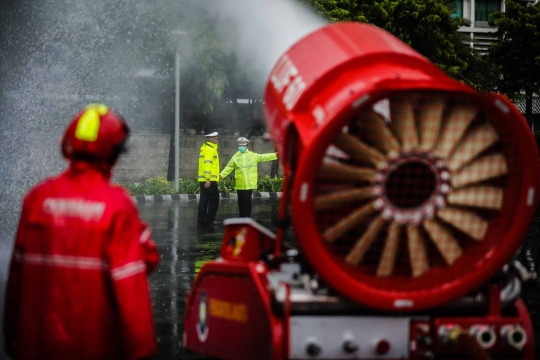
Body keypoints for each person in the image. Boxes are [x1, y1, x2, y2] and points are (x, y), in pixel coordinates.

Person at [3, 104, 159, 360]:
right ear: (113, 153)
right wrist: (142, 349)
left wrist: (9, 331)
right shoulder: (117, 206)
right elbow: (132, 284)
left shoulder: (37, 199)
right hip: (94, 347)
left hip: (36, 347)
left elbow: (17, 274)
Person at [220, 137, 277, 218]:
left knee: (247, 202)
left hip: (249, 184)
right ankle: (242, 217)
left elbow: (263, 157)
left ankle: (247, 218)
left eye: (243, 145)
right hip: (240, 184)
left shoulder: (252, 155)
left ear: (247, 146)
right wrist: (221, 175)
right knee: (241, 202)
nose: (241, 147)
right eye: (240, 145)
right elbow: (228, 167)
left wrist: (275, 155)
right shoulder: (235, 156)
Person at [197, 132, 221, 228]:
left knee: (204, 200)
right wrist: (208, 179)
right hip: (209, 180)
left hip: (204, 180)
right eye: (215, 138)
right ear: (211, 139)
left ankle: (201, 220)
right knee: (214, 200)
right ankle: (210, 219)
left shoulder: (205, 149)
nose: (216, 140)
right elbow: (207, 165)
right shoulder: (210, 150)